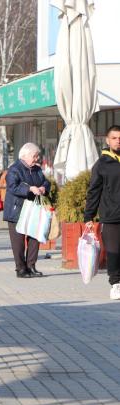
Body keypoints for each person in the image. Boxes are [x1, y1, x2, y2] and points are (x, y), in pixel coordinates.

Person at [3, 143, 50, 278]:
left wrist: (43, 188)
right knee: (18, 242)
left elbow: (46, 182)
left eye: (37, 156)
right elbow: (13, 187)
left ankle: (31, 266)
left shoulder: (37, 169)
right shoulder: (14, 169)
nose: (36, 159)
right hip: (16, 210)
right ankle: (20, 268)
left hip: (34, 210)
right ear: (24, 156)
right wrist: (29, 189)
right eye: (34, 156)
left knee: (34, 239)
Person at [84, 125, 120, 300]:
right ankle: (115, 284)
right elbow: (94, 191)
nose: (118, 141)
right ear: (107, 140)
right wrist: (88, 216)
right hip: (111, 215)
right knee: (114, 251)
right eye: (114, 138)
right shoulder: (102, 164)